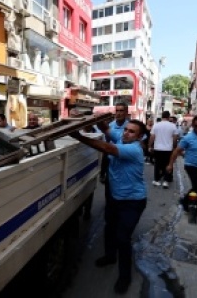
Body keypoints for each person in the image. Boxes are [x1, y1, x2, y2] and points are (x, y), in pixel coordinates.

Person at [69, 119, 147, 294]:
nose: (126, 133)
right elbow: (106, 129)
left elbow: (106, 148)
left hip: (133, 201)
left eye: (132, 131)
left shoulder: (134, 149)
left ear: (140, 136)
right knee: (109, 228)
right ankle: (110, 256)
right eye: (126, 130)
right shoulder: (122, 138)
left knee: (123, 238)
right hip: (115, 197)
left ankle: (124, 277)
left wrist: (78, 137)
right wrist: (94, 118)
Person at [149, 111, 178, 188]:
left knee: (157, 164)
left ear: (162, 116)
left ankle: (156, 180)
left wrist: (150, 146)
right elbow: (175, 138)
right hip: (168, 148)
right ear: (168, 117)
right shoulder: (173, 126)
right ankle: (166, 181)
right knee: (168, 164)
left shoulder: (156, 125)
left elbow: (152, 137)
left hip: (157, 148)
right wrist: (174, 146)